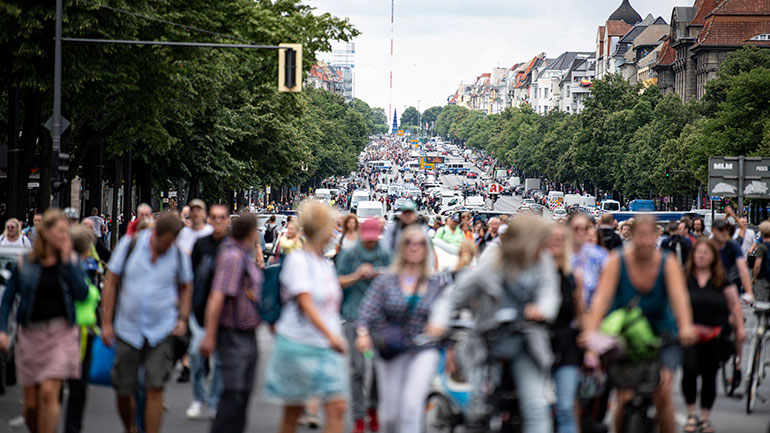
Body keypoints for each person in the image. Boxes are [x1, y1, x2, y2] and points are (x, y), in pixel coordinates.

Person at [428, 215, 560, 433]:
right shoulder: (492, 261)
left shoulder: (542, 262)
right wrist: (438, 322)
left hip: (525, 342)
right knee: (479, 408)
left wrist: (542, 310)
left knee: (535, 406)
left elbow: (549, 293)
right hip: (488, 341)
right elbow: (454, 296)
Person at [580, 215, 696, 433]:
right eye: (639, 236)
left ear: (656, 236)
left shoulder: (667, 263)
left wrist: (686, 327)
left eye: (648, 236)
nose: (644, 242)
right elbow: (601, 300)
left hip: (662, 335)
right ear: (631, 236)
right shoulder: (617, 261)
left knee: (663, 394)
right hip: (625, 336)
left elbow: (680, 298)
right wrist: (591, 333)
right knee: (624, 398)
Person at [101, 212, 193, 433]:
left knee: (155, 387)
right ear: (156, 234)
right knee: (124, 388)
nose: (171, 246)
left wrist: (182, 318)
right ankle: (130, 427)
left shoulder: (177, 254)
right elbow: (112, 282)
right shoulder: (130, 245)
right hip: (127, 327)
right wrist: (107, 322)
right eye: (168, 241)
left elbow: (186, 285)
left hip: (161, 329)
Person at [0, 209, 89, 433]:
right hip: (31, 334)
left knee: (50, 392)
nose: (65, 236)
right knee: (31, 405)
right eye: (60, 231)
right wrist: (2, 330)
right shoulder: (26, 263)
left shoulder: (70, 261)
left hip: (61, 332)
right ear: (46, 233)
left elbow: (82, 294)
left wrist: (68, 263)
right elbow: (8, 298)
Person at [264, 200, 348, 433]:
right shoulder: (298, 261)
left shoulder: (325, 264)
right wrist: (331, 335)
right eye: (331, 227)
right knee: (292, 414)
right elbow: (305, 302)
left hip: (324, 347)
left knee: (337, 407)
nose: (333, 233)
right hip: (298, 344)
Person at [356, 225, 446, 433]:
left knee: (412, 408)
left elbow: (445, 314)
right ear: (401, 247)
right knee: (390, 415)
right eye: (409, 243)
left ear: (426, 249)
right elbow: (366, 312)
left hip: (424, 348)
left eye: (420, 243)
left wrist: (440, 328)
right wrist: (362, 334)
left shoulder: (435, 282)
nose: (414, 248)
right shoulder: (386, 280)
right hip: (392, 347)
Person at [199, 212, 263, 433]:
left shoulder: (243, 254)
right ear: (251, 232)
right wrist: (209, 335)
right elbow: (217, 296)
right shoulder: (233, 257)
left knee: (243, 393)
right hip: (233, 333)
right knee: (234, 393)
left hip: (247, 332)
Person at [681, 240, 745, 433]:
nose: (701, 256)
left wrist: (739, 326)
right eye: (698, 252)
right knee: (689, 372)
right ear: (692, 256)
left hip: (715, 336)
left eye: (705, 253)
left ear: (713, 257)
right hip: (690, 335)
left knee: (710, 376)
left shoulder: (721, 279)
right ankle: (691, 414)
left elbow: (734, 305)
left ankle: (705, 417)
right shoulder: (684, 278)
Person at [336, 219, 391, 433]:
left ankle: (373, 409)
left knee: (379, 367)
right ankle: (358, 416)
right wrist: (357, 275)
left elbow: (395, 278)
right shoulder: (350, 253)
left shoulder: (385, 253)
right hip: (354, 315)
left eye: (372, 240)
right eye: (366, 240)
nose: (369, 244)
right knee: (357, 368)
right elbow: (338, 280)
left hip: (379, 318)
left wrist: (381, 274)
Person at [184, 204, 230, 419]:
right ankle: (198, 398)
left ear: (228, 220)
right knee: (196, 354)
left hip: (224, 313)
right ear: (209, 220)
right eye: (215, 217)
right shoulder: (200, 244)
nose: (218, 221)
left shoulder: (232, 246)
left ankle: (214, 402)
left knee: (220, 360)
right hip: (200, 310)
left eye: (222, 217)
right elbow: (190, 279)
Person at [546, 223, 585, 433]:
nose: (557, 242)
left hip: (566, 344)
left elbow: (581, 314)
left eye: (562, 238)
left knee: (566, 407)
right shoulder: (534, 272)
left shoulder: (572, 276)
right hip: (537, 345)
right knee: (538, 408)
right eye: (553, 238)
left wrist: (587, 339)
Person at [64, 224, 101, 433]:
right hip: (79, 332)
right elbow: (83, 294)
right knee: (78, 386)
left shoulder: (71, 265)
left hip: (78, 331)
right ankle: (72, 427)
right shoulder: (75, 266)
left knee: (69, 385)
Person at [711, 218, 754, 302]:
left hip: (730, 282)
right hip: (712, 284)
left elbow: (742, 269)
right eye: (720, 230)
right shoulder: (708, 245)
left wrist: (749, 291)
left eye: (725, 230)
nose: (723, 233)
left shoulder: (733, 246)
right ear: (713, 231)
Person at [569, 214, 608, 306]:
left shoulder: (599, 255)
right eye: (576, 229)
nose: (580, 232)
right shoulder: (562, 254)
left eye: (584, 229)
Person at [752, 221, 770, 302]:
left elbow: (757, 265)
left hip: (764, 278)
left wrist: (755, 277)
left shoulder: (762, 247)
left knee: (762, 304)